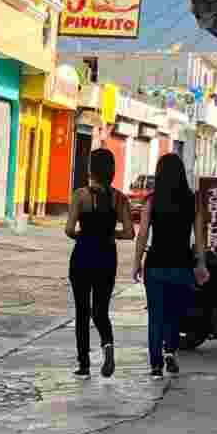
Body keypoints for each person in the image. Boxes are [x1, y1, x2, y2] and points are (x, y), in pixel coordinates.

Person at [132, 153, 210, 379]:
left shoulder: (152, 201)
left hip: (155, 265)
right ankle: (170, 351)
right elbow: (200, 239)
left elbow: (143, 235)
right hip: (181, 266)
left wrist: (137, 263)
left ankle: (156, 367)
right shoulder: (193, 201)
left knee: (156, 316)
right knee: (175, 314)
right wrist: (202, 264)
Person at [66, 148, 136, 378]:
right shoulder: (120, 198)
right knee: (100, 311)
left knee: (82, 311)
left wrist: (84, 236)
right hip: (107, 257)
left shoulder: (80, 195)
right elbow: (129, 233)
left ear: (91, 169)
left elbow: (69, 230)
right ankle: (108, 346)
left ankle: (84, 366)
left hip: (83, 256)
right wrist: (109, 234)